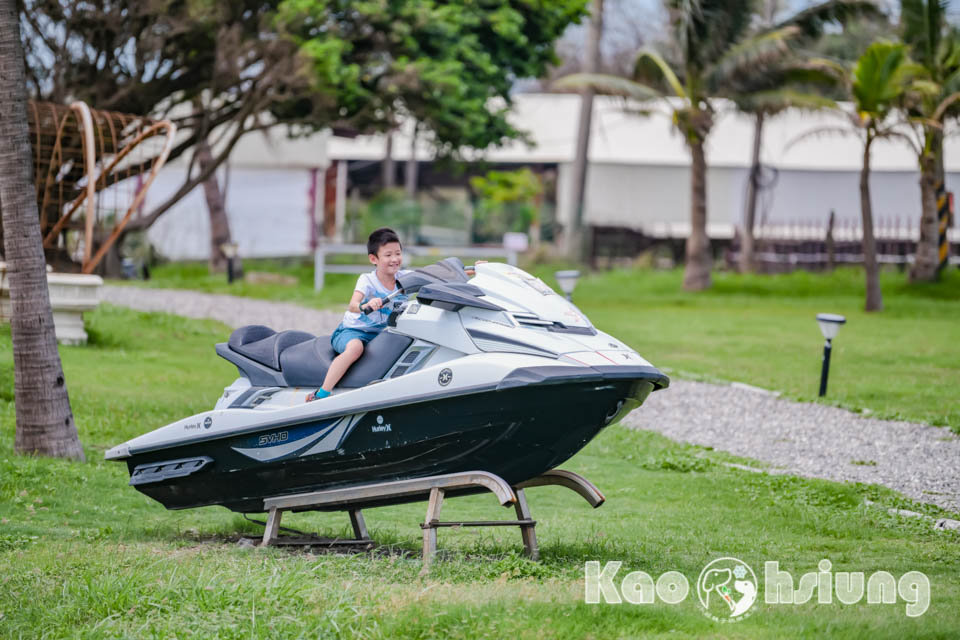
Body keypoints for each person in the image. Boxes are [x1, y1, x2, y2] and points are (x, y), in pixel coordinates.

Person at [310, 227, 409, 401]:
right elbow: (352, 305)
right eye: (388, 255)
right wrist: (366, 305)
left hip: (381, 333)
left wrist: (469, 270)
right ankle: (322, 393)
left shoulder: (406, 279)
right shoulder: (367, 280)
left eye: (398, 253)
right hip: (353, 331)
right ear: (373, 259)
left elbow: (435, 276)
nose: (394, 259)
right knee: (356, 348)